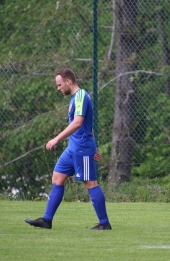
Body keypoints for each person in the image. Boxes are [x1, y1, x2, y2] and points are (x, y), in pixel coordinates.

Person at [25, 68, 111, 230]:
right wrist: (95, 146)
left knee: (90, 183)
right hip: (73, 148)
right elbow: (87, 125)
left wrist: (57, 138)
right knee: (57, 177)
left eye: (59, 84)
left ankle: (104, 223)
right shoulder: (74, 98)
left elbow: (78, 123)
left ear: (68, 81)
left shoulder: (80, 97)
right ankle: (46, 220)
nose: (58, 88)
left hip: (82, 149)